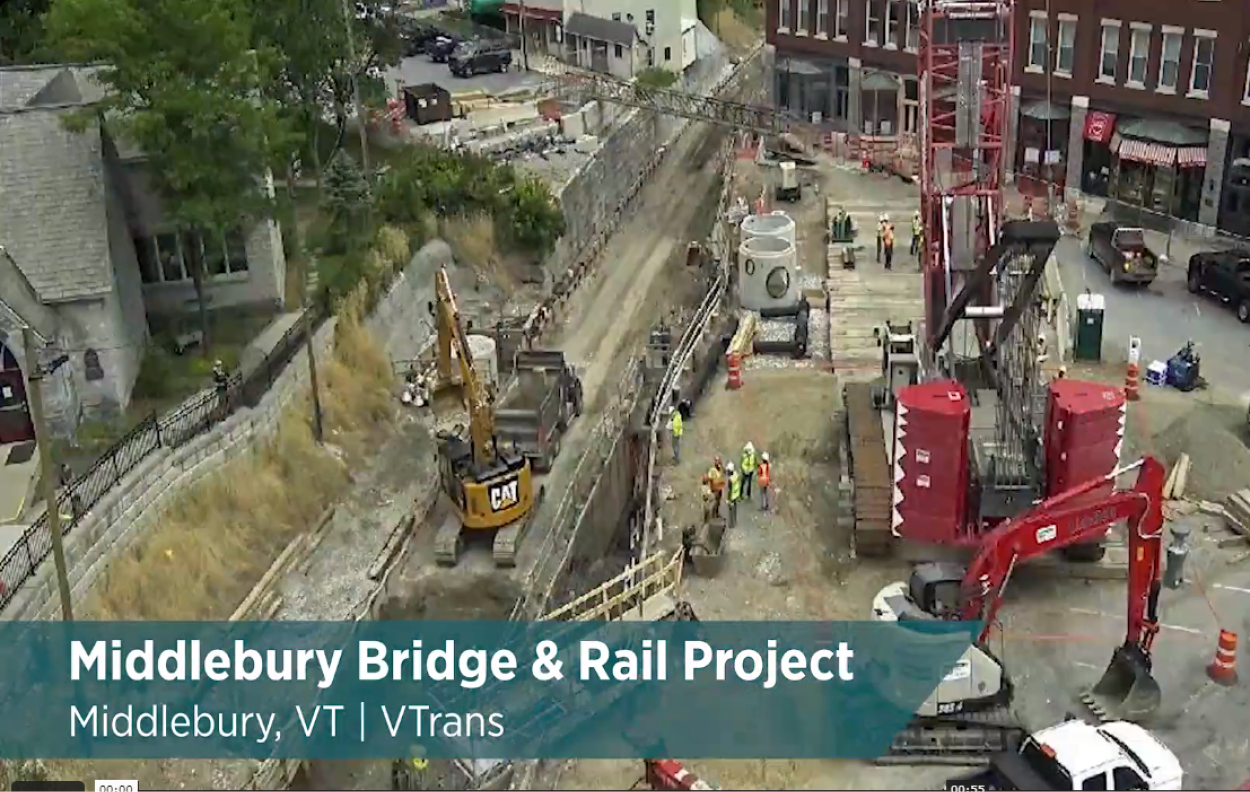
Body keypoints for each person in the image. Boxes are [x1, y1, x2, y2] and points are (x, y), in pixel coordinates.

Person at [726, 461, 742, 530]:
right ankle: (735, 521)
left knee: (731, 510)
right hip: (736, 494)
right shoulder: (736, 474)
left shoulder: (730, 480)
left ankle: (731, 524)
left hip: (732, 496)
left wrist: (728, 499)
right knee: (735, 509)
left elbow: (730, 490)